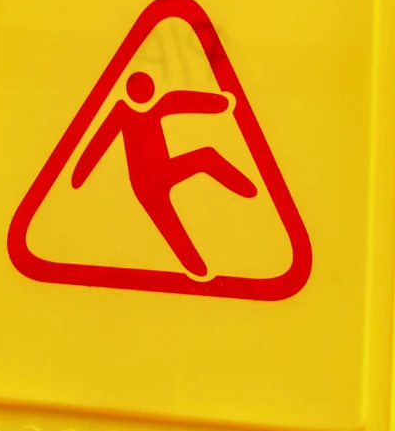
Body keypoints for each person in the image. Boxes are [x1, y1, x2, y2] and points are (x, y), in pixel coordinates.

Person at [70, 71, 257, 278]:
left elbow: (184, 102)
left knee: (206, 156)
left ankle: (247, 190)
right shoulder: (121, 112)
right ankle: (196, 268)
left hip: (164, 170)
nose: (146, 92)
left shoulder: (159, 104)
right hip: (145, 183)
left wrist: (221, 103)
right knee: (170, 224)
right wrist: (78, 177)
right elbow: (98, 144)